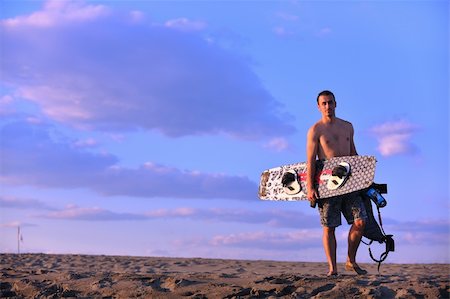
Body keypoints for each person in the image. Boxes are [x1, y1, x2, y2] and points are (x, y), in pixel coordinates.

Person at [306, 90, 368, 276]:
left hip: (349, 182)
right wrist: (310, 187)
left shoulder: (348, 126)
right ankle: (332, 269)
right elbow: (310, 161)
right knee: (329, 227)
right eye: (323, 103)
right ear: (318, 107)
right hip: (326, 183)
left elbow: (354, 153)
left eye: (330, 102)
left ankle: (350, 260)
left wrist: (364, 176)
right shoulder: (315, 130)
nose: (327, 106)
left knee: (360, 221)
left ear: (336, 103)